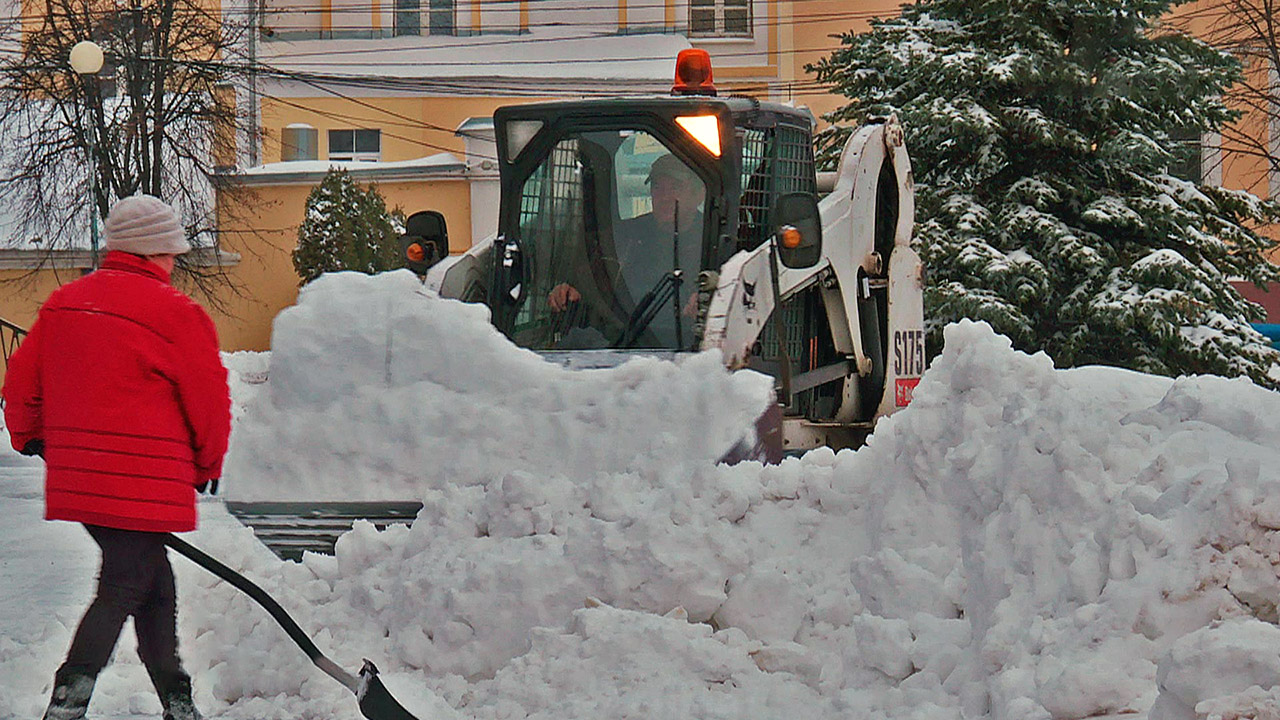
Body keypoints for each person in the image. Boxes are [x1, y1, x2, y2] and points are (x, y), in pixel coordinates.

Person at [3, 195, 232, 720]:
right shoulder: (178, 314)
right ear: (156, 252)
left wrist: (30, 435)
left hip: (81, 480)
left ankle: (179, 703)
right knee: (127, 581)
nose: (175, 261)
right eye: (172, 251)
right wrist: (207, 464)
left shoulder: (65, 303)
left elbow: (20, 380)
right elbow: (208, 399)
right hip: (144, 484)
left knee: (153, 584)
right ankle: (68, 700)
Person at [547, 152, 705, 347]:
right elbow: (592, 282)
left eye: (676, 188)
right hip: (622, 343)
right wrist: (567, 290)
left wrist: (707, 303)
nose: (665, 197)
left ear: (699, 195)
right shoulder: (626, 234)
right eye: (657, 187)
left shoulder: (713, 238)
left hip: (685, 349)